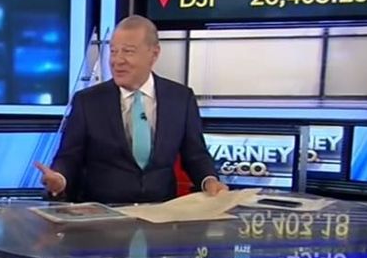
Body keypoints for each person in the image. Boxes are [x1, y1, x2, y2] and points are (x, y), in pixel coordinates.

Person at [35, 15, 227, 204]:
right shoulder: (88, 102)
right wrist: (59, 179)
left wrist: (209, 181)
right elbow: (69, 157)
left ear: (154, 54)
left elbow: (195, 154)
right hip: (103, 213)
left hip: (160, 212)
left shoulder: (180, 99)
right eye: (113, 51)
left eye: (128, 51)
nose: (117, 60)